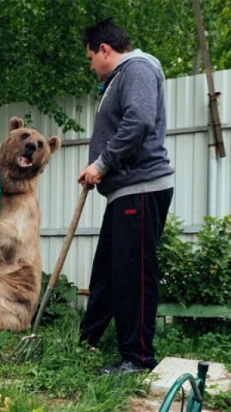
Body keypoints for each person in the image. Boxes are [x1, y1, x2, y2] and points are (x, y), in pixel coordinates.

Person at [77, 18, 175, 375]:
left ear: (105, 50)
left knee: (134, 275)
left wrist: (101, 164)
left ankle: (138, 359)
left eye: (91, 57)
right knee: (108, 271)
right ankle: (87, 341)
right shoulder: (122, 77)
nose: (91, 66)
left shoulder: (138, 69)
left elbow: (138, 122)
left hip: (142, 188)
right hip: (125, 192)